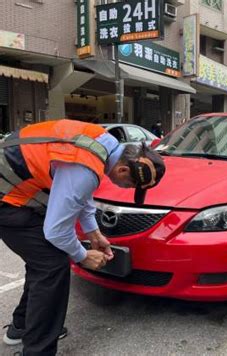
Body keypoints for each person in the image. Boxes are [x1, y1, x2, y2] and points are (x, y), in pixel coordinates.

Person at [0, 119, 165, 355]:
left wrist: (93, 232)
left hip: (20, 197)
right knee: (52, 265)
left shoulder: (104, 143)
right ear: (122, 170)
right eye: (129, 185)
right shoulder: (86, 169)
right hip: (8, 202)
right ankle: (38, 349)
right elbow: (56, 230)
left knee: (44, 261)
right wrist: (82, 255)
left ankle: (22, 326)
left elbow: (81, 194)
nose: (126, 189)